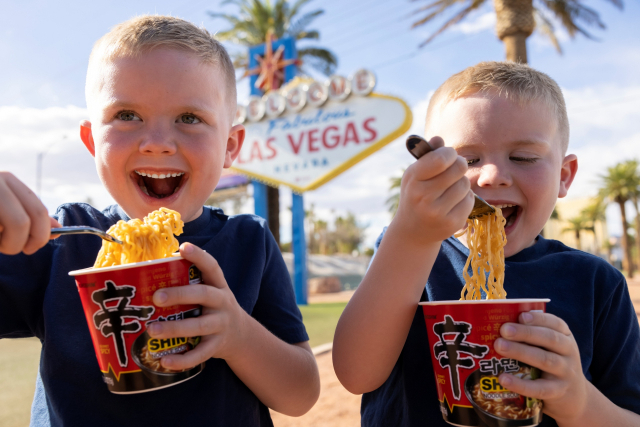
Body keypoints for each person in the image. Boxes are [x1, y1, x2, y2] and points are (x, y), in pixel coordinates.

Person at [0, 15, 319, 426]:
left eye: (189, 118)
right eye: (127, 114)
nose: (156, 144)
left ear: (230, 145)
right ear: (90, 140)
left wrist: (238, 336)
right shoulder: (59, 239)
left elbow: (301, 394)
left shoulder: (249, 241)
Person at [333, 61, 640, 427]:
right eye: (468, 160)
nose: (492, 176)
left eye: (523, 157)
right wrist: (411, 235)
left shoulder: (595, 282)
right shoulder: (410, 252)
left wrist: (579, 404)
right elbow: (356, 374)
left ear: (564, 176)